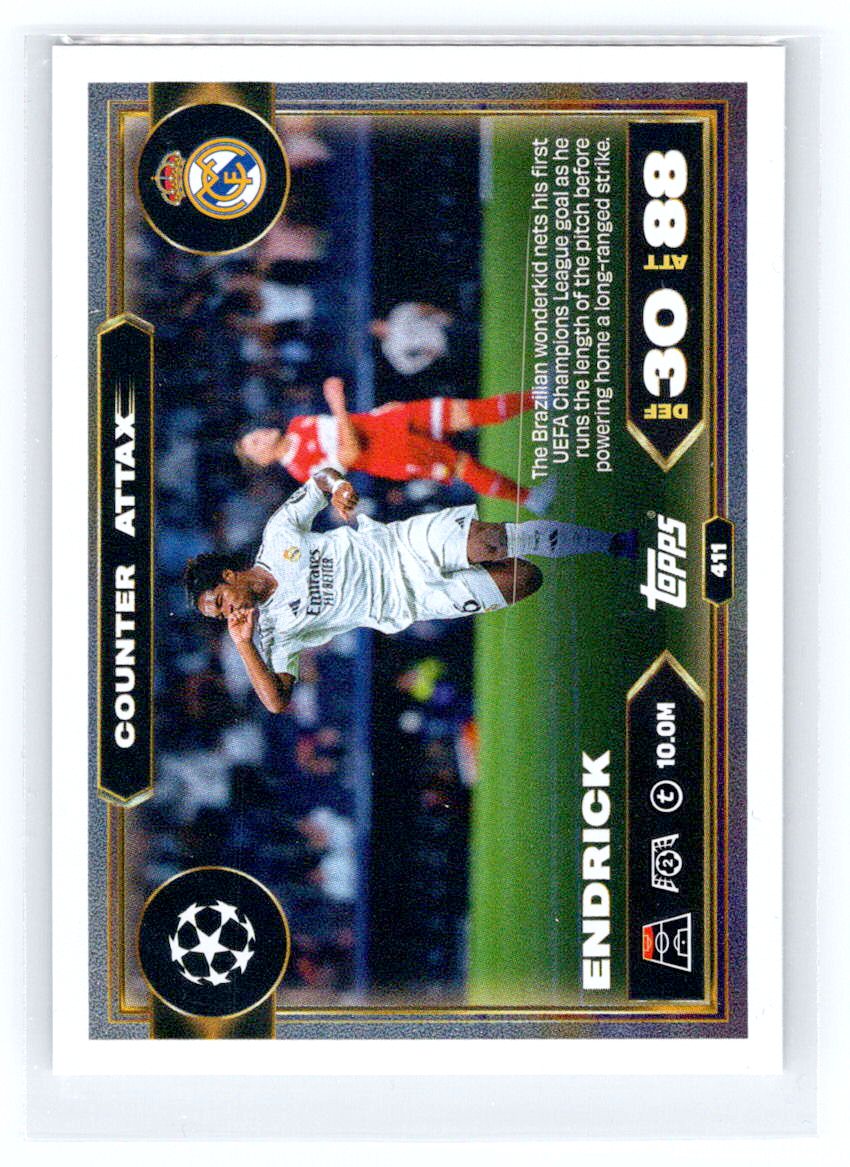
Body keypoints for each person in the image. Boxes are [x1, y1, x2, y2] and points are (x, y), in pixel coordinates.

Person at [184, 467, 638, 714]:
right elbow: (277, 702)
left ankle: (611, 543)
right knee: (524, 578)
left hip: (401, 545)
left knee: (491, 541)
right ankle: (544, 541)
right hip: (410, 602)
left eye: (221, 603)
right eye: (219, 616)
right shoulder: (273, 633)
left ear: (229, 576)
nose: (229, 614)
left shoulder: (277, 535)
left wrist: (338, 487)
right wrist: (244, 646)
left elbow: (320, 479)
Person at [237, 376, 557, 513]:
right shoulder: (302, 470)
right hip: (392, 454)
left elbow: (344, 427)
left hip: (390, 422)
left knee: (466, 411)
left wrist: (376, 414)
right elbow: (351, 454)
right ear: (263, 460)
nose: (260, 434)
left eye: (255, 433)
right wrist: (338, 404)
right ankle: (531, 499)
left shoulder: (297, 424)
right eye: (255, 443)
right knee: (460, 464)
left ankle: (541, 397)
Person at [369, 302, 452, 376]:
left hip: (444, 325)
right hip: (442, 348)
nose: (378, 328)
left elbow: (421, 308)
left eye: (376, 324)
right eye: (375, 331)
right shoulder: (390, 348)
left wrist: (439, 313)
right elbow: (406, 368)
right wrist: (426, 359)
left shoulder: (398, 313)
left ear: (379, 320)